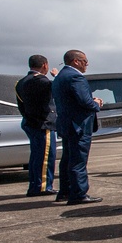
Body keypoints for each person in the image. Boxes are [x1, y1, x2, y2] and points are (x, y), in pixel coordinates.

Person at [52, 50, 103, 204]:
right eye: (85, 61)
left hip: (66, 123)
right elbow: (85, 102)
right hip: (78, 125)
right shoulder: (75, 77)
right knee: (78, 160)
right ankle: (79, 193)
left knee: (67, 159)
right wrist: (96, 103)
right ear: (76, 61)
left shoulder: (60, 77)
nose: (86, 65)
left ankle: (65, 191)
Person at [15, 54, 58, 197]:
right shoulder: (41, 81)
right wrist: (56, 77)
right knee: (45, 157)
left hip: (30, 122)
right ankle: (42, 186)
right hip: (42, 123)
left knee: (36, 156)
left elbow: (21, 105)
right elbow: (57, 89)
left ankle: (35, 185)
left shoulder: (20, 82)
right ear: (45, 65)